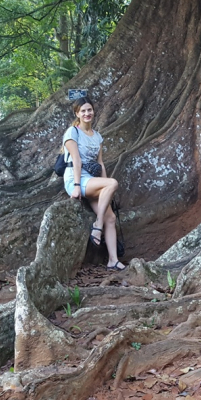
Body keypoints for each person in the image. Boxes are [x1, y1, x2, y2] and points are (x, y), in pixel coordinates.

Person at [62, 97, 125, 270]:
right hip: (76, 179)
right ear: (77, 114)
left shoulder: (97, 136)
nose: (87, 113)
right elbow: (76, 160)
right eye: (83, 111)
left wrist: (107, 186)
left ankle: (113, 260)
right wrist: (76, 187)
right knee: (112, 183)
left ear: (94, 112)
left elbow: (100, 163)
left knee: (111, 217)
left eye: (89, 110)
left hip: (93, 180)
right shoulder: (72, 133)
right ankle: (97, 225)